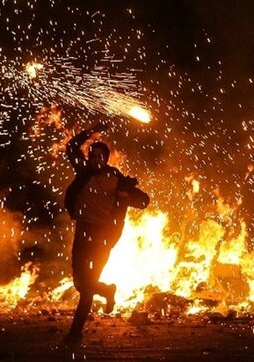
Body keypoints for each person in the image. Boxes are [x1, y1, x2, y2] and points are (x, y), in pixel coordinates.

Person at [63, 122, 150, 342]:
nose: (95, 159)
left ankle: (75, 333)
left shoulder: (116, 179)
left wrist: (125, 197)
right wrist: (90, 132)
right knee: (81, 284)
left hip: (102, 237)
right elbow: (72, 147)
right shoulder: (83, 173)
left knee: (88, 283)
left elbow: (144, 201)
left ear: (106, 159)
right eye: (92, 155)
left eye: (100, 156)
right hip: (83, 232)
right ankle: (108, 291)